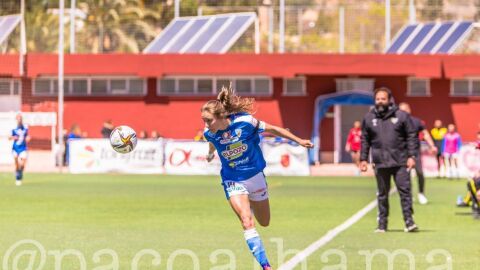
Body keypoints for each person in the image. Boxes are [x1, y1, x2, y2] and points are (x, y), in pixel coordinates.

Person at [201, 86, 313, 270]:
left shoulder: (245, 122)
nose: (206, 125)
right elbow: (212, 143)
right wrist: (210, 153)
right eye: (203, 121)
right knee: (247, 220)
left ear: (221, 117)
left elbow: (274, 129)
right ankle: (266, 266)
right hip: (233, 179)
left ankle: (250, 200)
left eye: (208, 120)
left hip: (255, 177)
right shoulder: (209, 133)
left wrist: (299, 141)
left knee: (264, 222)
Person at [360, 87, 419, 233]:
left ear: (389, 100)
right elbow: (365, 140)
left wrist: (412, 156)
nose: (380, 101)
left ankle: (409, 222)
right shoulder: (369, 118)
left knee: (405, 192)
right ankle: (382, 224)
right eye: (377, 99)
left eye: (383, 99)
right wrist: (363, 159)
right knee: (382, 194)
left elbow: (412, 136)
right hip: (380, 162)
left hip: (400, 161)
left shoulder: (402, 116)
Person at [398, 102, 437, 205]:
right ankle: (408, 195)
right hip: (401, 153)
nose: (403, 112)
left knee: (420, 173)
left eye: (405, 109)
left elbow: (425, 134)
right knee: (405, 175)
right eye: (401, 110)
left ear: (409, 110)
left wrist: (432, 146)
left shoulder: (416, 121)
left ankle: (421, 193)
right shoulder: (396, 122)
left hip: (415, 152)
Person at [10, 113, 30, 186]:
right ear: (16, 120)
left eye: (20, 119)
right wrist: (13, 137)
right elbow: (9, 137)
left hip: (23, 148)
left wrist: (28, 138)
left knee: (23, 162)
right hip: (15, 148)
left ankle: (20, 171)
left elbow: (27, 136)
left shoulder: (25, 128)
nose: (19, 120)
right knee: (16, 163)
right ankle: (18, 176)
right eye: (18, 119)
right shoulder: (13, 128)